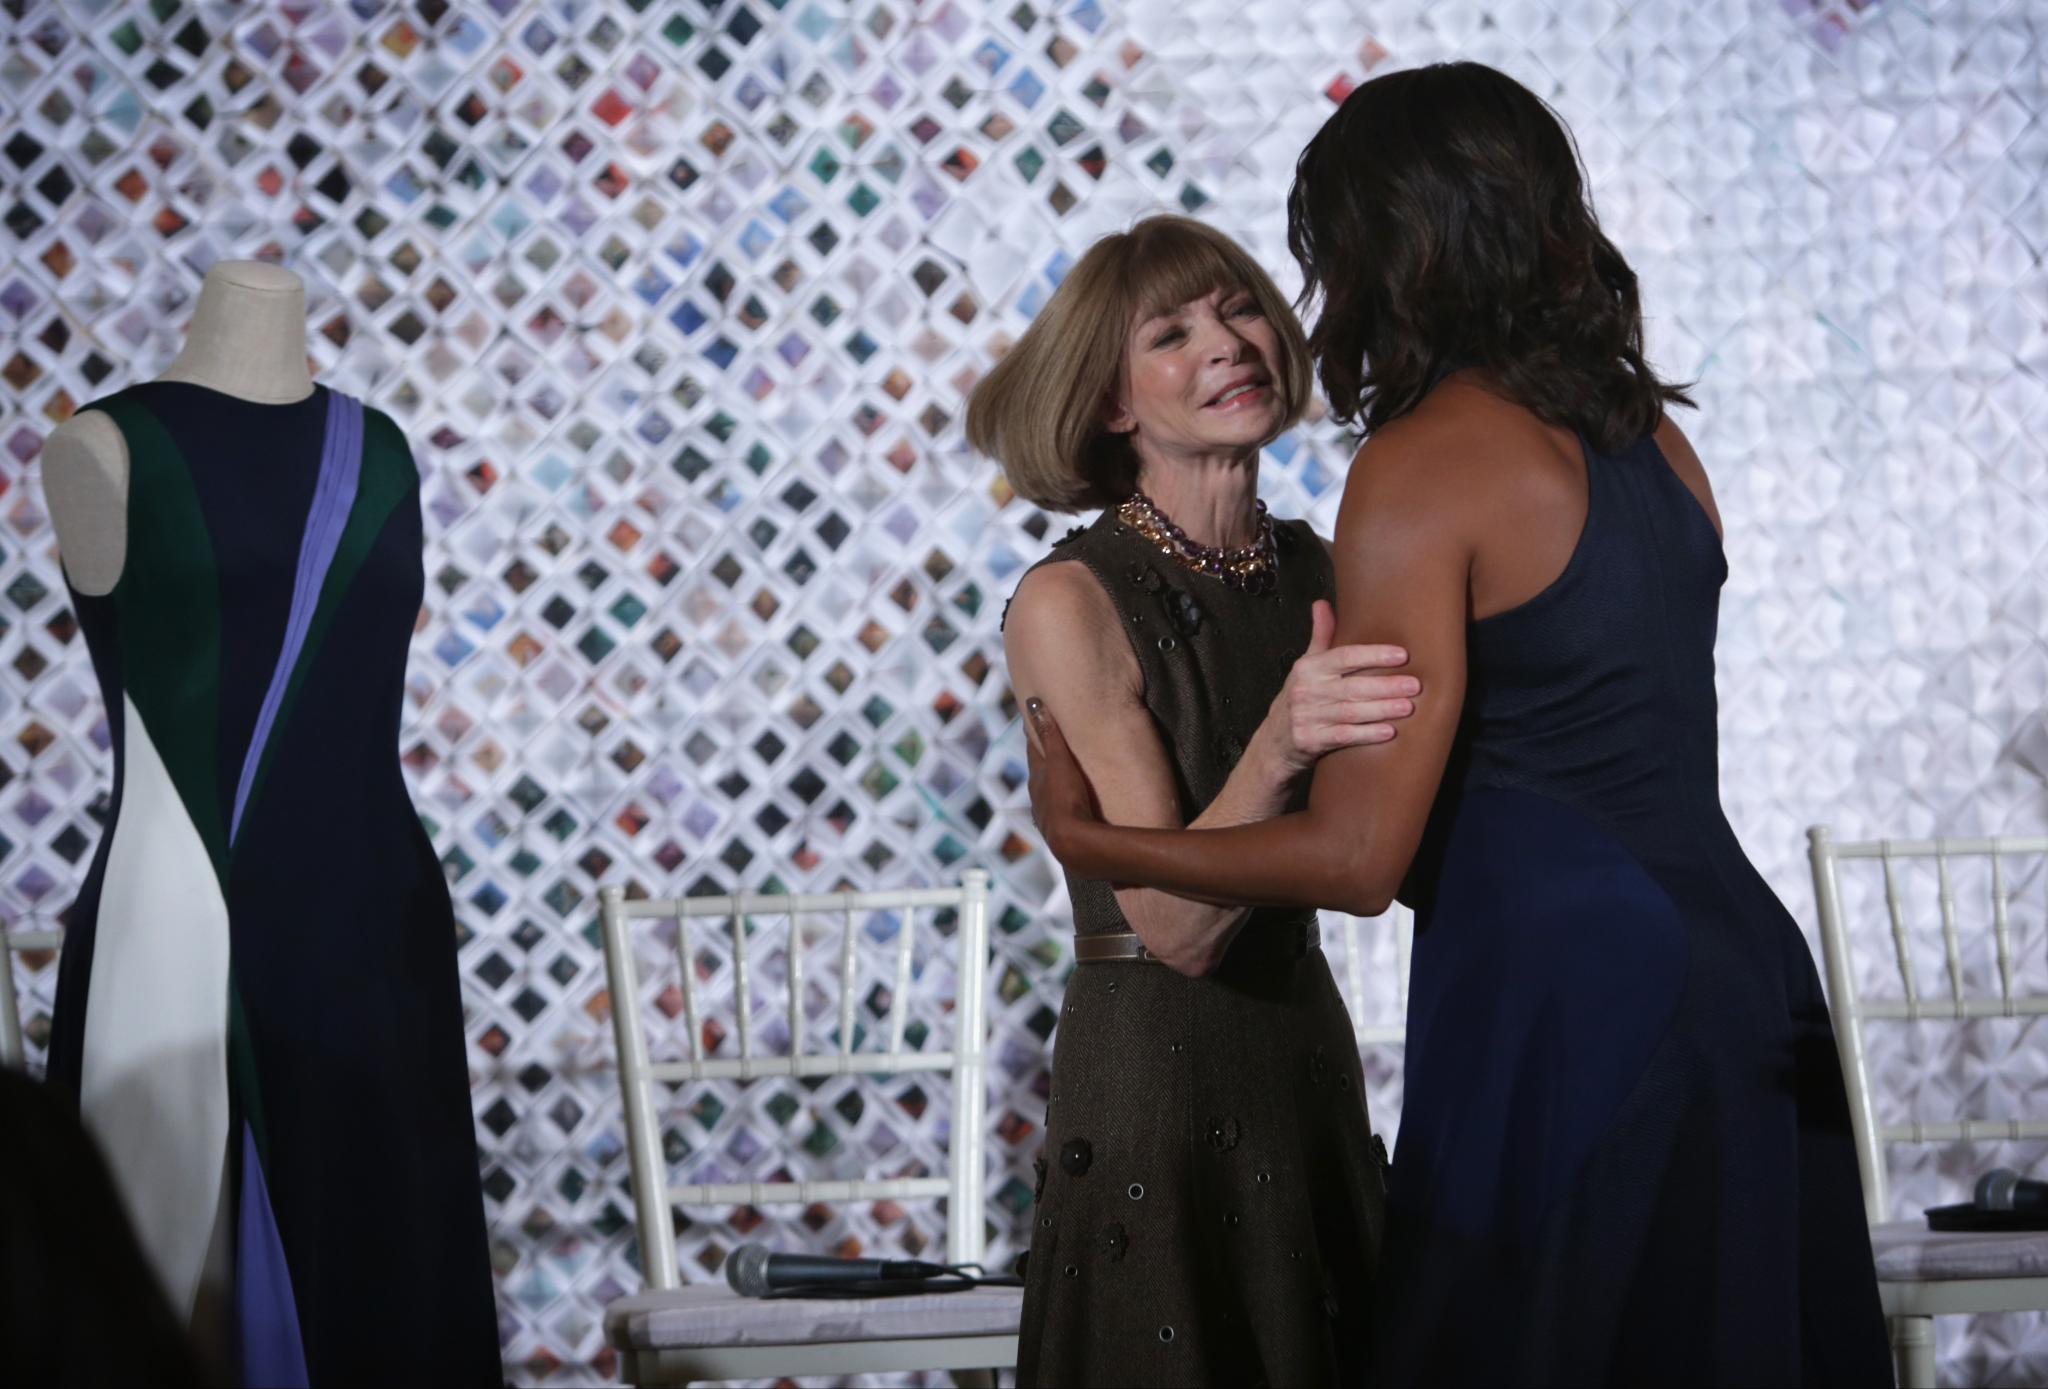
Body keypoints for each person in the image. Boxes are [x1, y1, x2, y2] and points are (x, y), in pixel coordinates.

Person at [1025, 65, 1891, 1386]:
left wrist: (1094, 842)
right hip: (1742, 973)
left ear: (1386, 244)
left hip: (1565, 998)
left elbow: (1357, 859)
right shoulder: (1652, 439)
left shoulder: (1420, 465)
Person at [969, 214, 1420, 1386]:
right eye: (1171, 334)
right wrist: (1280, 741)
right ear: (1110, 403)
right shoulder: (1068, 601)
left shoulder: (1327, 569)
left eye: (1238, 310)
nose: (1225, 344)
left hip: (1305, 1060)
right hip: (1156, 1085)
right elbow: (1172, 928)